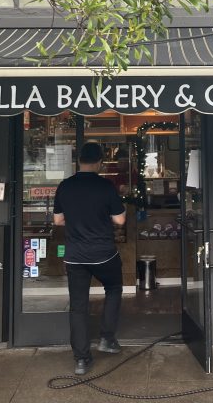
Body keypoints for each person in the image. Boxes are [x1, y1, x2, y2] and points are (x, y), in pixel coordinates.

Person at [53, 142, 126, 375]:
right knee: (113, 288)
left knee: (78, 306)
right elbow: (120, 220)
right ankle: (107, 338)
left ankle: (82, 360)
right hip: (103, 253)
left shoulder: (65, 186)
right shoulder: (105, 186)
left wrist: (77, 219)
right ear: (100, 163)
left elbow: (58, 220)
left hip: (75, 256)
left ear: (78, 161)